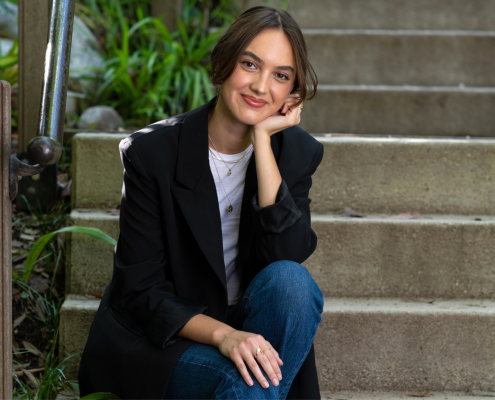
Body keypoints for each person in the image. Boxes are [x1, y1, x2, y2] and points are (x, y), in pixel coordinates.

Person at [78, 5, 324, 400]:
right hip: (166, 341)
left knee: (293, 284)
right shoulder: (152, 153)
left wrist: (263, 142)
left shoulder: (295, 153)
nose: (261, 86)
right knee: (248, 385)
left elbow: (285, 255)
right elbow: (141, 289)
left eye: (281, 75)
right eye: (250, 64)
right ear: (225, 62)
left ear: (291, 92)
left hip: (249, 327)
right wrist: (225, 336)